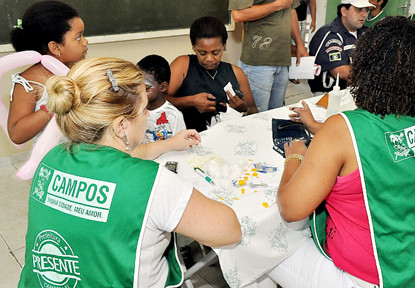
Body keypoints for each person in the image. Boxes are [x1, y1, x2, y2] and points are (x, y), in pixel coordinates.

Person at [17, 57, 241, 288]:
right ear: (122, 125)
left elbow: (111, 164)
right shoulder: (149, 182)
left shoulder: (50, 160)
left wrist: (168, 144)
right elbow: (229, 231)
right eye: (144, 109)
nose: (147, 116)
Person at [271, 17, 415, 287]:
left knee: (264, 252)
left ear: (365, 66)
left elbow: (290, 208)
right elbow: (383, 145)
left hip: (375, 277)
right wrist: (320, 128)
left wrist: (294, 156)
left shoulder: (343, 128)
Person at [8, 0, 87, 145]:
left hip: (83, 156)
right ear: (55, 47)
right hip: (52, 159)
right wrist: (52, 106)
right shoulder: (29, 82)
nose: (85, 42)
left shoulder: (79, 70)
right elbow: (16, 134)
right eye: (78, 37)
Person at [166, 16, 258, 132]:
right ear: (193, 46)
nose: (209, 59)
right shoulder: (183, 65)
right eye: (202, 53)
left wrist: (243, 108)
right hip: (189, 139)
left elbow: (254, 112)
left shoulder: (236, 73)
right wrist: (191, 101)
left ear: (224, 45)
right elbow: (159, 100)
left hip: (227, 137)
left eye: (215, 52)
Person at [229, 0, 308, 112]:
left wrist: (299, 43)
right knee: (256, 116)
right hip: (258, 63)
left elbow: (291, 11)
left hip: (282, 60)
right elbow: (238, 15)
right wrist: (278, 5)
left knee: (275, 114)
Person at [307, 0, 374, 94]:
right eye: (359, 9)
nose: (364, 14)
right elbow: (340, 72)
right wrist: (375, 74)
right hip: (329, 96)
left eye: (366, 10)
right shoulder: (331, 34)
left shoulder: (366, 32)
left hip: (357, 92)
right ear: (344, 11)